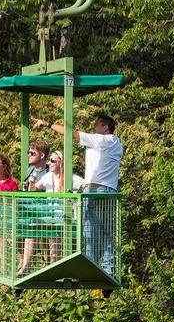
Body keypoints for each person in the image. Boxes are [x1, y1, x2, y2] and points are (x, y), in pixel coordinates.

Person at [33, 114, 122, 275]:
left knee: (89, 231)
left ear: (105, 128)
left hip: (95, 190)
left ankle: (91, 268)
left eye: (96, 125)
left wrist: (48, 124)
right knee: (105, 231)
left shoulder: (100, 140)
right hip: (109, 191)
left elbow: (72, 133)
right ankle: (108, 269)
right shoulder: (117, 143)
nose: (93, 128)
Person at [16, 141, 50, 276]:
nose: (29, 155)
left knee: (37, 229)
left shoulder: (49, 171)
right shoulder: (29, 171)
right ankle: (21, 262)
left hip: (43, 213)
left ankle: (29, 266)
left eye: (32, 153)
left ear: (41, 155)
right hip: (28, 212)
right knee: (13, 227)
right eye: (28, 152)